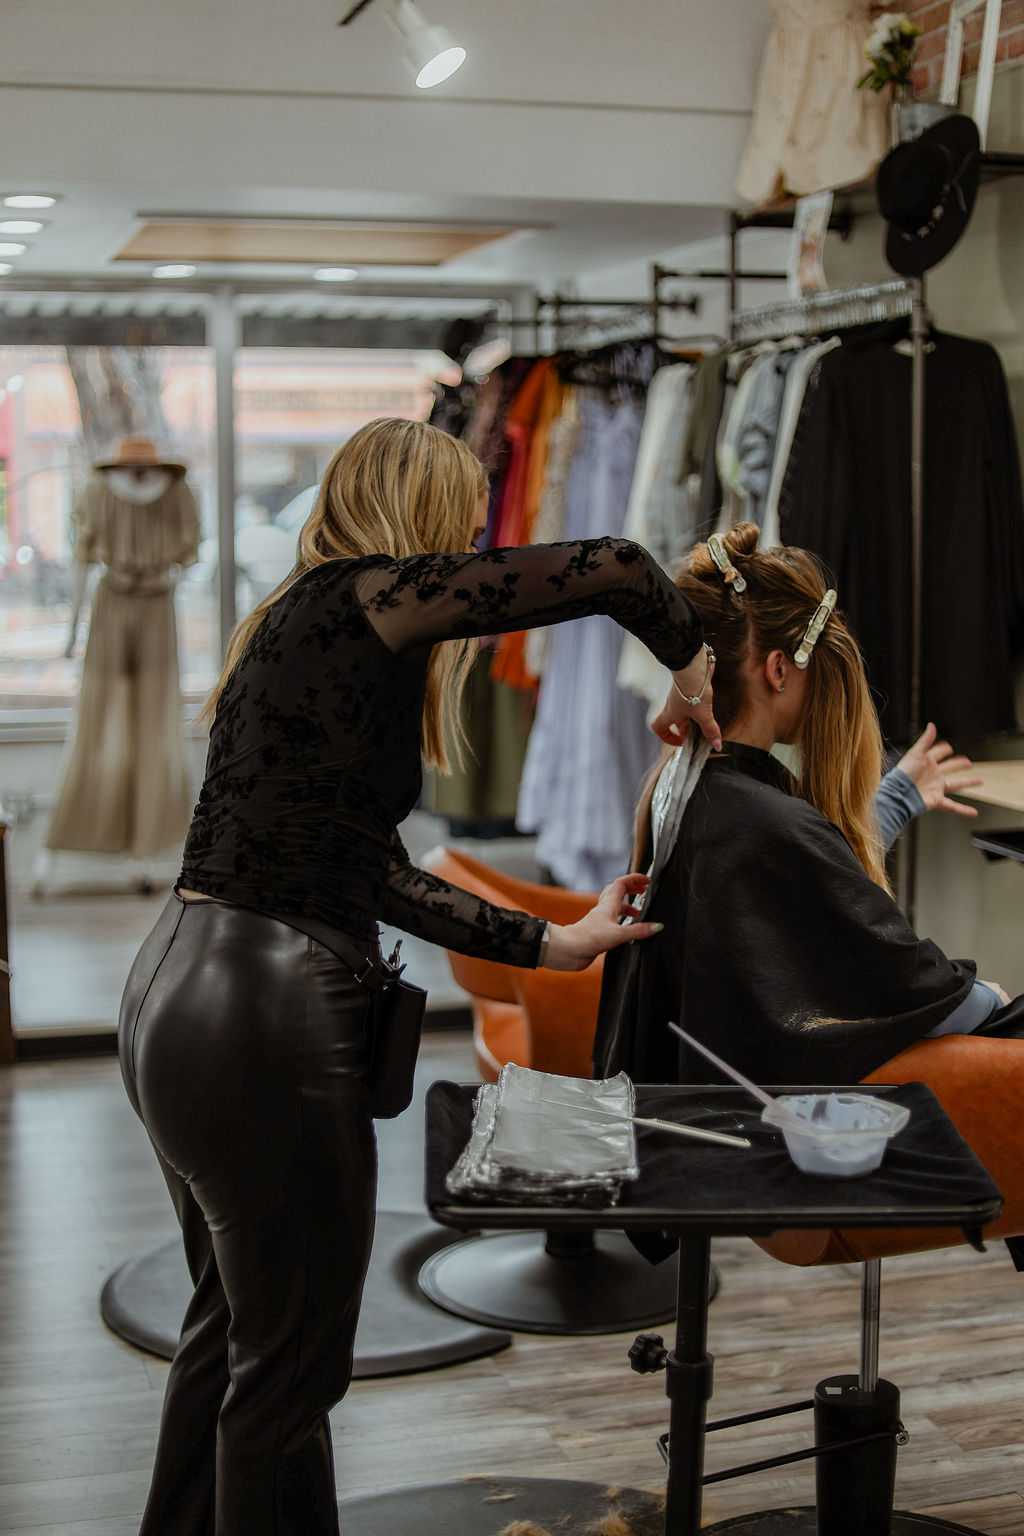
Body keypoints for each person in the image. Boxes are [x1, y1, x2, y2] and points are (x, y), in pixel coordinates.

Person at [117, 416, 722, 1536]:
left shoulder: (293, 635)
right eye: (463, 525)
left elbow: (369, 871)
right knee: (289, 1374)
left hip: (180, 993)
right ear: (427, 521)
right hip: (261, 1016)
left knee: (236, 1340)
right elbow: (620, 569)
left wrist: (555, 945)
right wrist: (691, 666)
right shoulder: (366, 596)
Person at [595, 522, 1020, 1095]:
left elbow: (805, 897)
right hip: (754, 1142)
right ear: (777, 669)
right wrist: (992, 996)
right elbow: (926, 997)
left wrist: (895, 799)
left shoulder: (676, 787)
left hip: (674, 1113)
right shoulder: (766, 824)